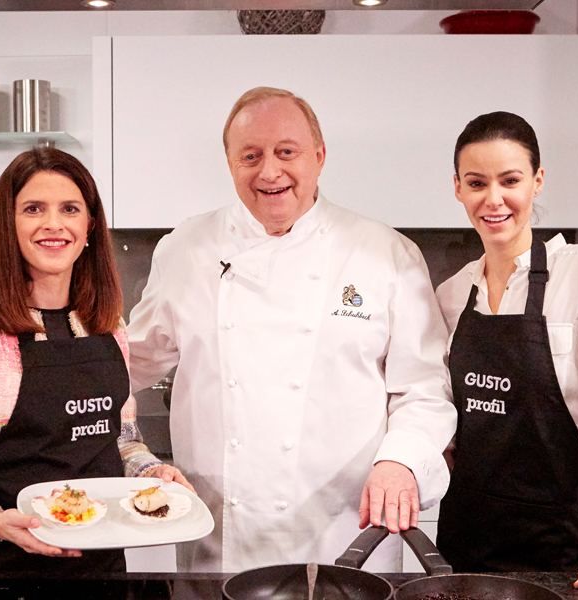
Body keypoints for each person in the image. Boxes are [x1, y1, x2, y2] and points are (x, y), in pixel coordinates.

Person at [124, 86, 457, 572]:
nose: (269, 172)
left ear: (319, 156)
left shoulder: (385, 253)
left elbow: (425, 389)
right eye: (251, 156)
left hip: (348, 532)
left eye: (286, 152)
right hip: (220, 540)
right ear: (230, 164)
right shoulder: (185, 249)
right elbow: (127, 365)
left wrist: (401, 461)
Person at [0, 147, 192, 572]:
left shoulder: (106, 323)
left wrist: (152, 472)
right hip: (6, 565)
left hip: (104, 565)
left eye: (70, 209)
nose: (53, 224)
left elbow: (121, 442)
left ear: (89, 226)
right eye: (33, 209)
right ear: (9, 224)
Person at [434, 112, 578, 600]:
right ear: (457, 188)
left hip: (555, 545)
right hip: (462, 541)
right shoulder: (451, 295)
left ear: (537, 181)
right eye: (476, 183)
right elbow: (444, 421)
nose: (493, 199)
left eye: (509, 180)